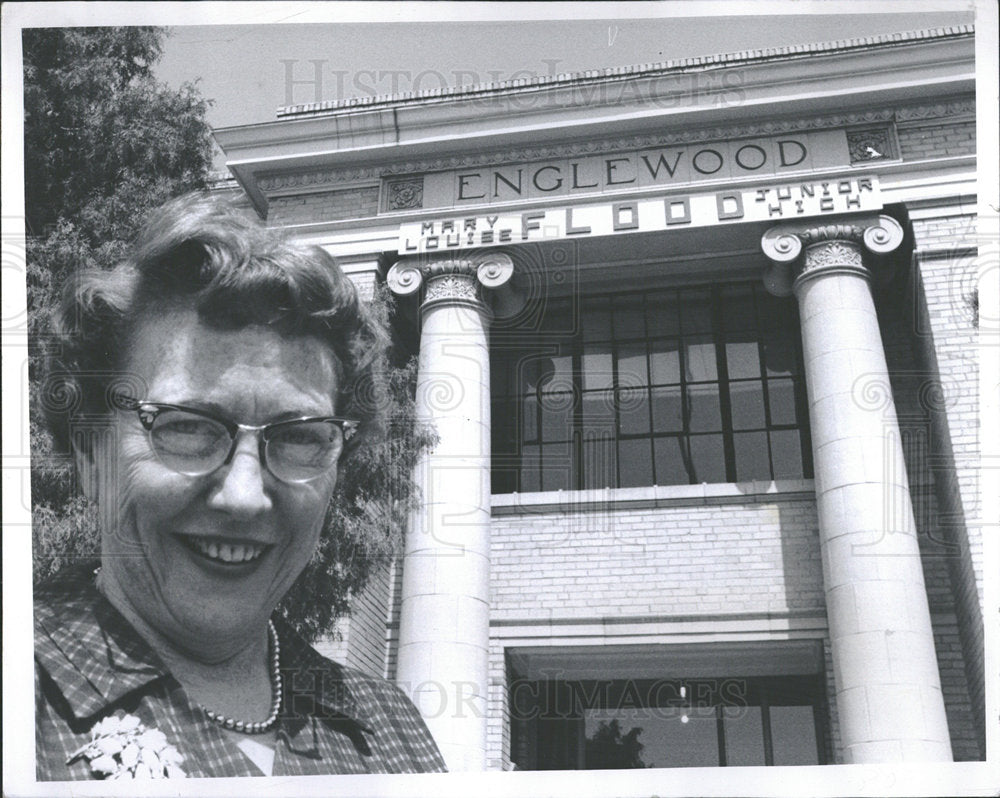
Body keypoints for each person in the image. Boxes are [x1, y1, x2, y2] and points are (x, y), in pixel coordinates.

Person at [34, 194, 446, 779]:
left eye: (300, 438)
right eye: (187, 428)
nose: (244, 496)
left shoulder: (395, 732)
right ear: (87, 446)